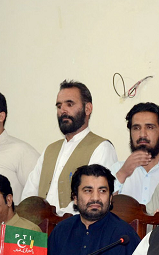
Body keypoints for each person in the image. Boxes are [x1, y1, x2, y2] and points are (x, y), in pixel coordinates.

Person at [21, 80, 118, 215]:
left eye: (70, 104)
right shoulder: (50, 150)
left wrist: (56, 222)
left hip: (76, 229)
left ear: (88, 109)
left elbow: (94, 200)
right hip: (40, 229)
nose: (63, 110)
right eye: (59, 106)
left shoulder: (101, 147)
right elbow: (29, 195)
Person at [36, 164, 140, 255]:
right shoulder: (61, 230)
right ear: (75, 198)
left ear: (110, 198)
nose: (95, 198)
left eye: (102, 191)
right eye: (88, 190)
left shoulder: (123, 236)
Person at [110, 102, 159, 204]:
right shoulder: (117, 169)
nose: (142, 134)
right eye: (136, 128)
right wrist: (122, 174)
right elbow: (101, 210)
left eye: (150, 127)